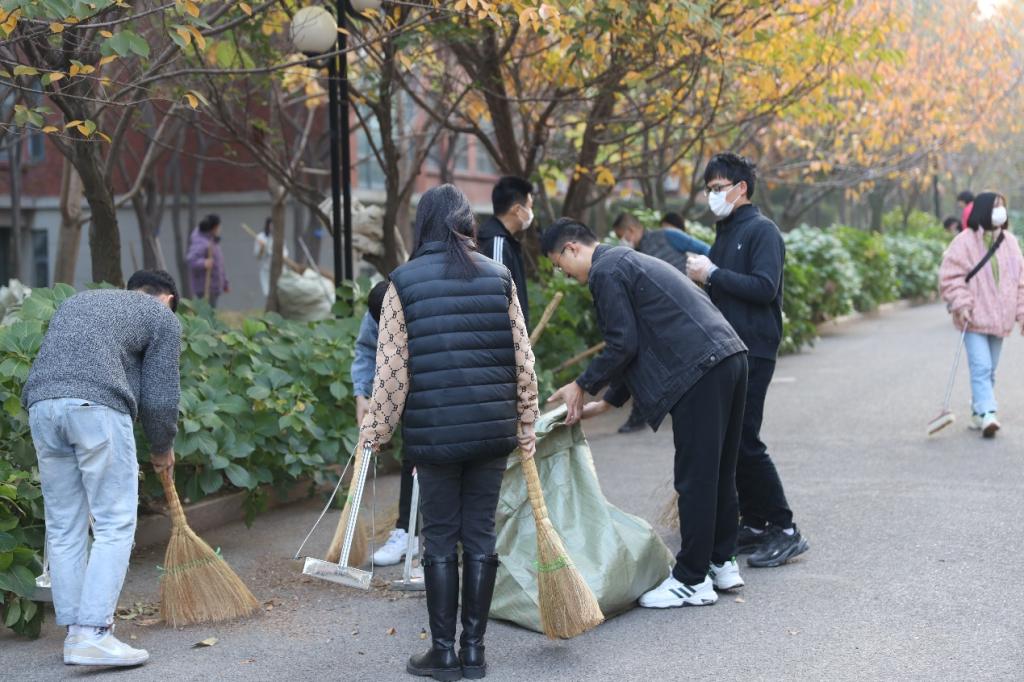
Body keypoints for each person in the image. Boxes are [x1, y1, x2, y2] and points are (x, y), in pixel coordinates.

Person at [358, 184, 539, 680]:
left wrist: (375, 431)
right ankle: (474, 653)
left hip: (434, 436)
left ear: (424, 225)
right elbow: (523, 360)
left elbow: (391, 372)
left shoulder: (402, 282)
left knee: (438, 539)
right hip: (492, 430)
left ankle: (443, 654)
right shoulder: (498, 276)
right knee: (480, 535)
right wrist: (526, 422)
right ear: (467, 224)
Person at [542, 218, 749, 610]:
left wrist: (581, 385)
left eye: (559, 265)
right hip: (729, 358)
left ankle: (691, 579)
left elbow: (622, 343)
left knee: (695, 478)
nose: (564, 274)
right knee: (719, 471)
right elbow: (635, 342)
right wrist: (609, 401)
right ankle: (722, 562)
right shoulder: (625, 261)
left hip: (701, 368)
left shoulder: (605, 271)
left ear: (571, 248)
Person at [22, 270, 181, 668]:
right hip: (95, 409)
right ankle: (93, 633)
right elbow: (160, 399)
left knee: (64, 525)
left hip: (42, 407)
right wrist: (162, 448)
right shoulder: (161, 316)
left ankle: (76, 632)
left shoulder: (79, 301)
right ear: (168, 299)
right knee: (114, 522)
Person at [685, 152, 810, 568]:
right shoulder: (725, 233)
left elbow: (764, 287)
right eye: (708, 189)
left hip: (754, 347)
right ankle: (755, 522)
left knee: (745, 441)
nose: (712, 196)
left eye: (718, 188)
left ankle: (785, 528)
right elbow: (725, 290)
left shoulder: (762, 231)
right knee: (733, 442)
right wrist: (703, 280)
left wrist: (712, 274)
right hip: (727, 348)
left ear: (741, 188)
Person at [611, 212, 711, 433]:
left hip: (687, 311)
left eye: (621, 236)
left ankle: (695, 410)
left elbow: (707, 250)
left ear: (630, 231)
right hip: (657, 318)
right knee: (645, 363)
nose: (622, 241)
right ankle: (641, 415)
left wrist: (701, 275)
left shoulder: (669, 235)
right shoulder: (631, 255)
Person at [939, 191, 1024, 438]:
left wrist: (1021, 313)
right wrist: (961, 303)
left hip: (1000, 320)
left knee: (990, 369)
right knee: (982, 367)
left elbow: (1020, 281)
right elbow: (950, 277)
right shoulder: (964, 242)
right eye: (996, 206)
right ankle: (988, 413)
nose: (1000, 211)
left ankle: (978, 412)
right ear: (984, 209)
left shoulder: (1010, 242)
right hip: (973, 318)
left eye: (1002, 206)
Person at [351, 280, 418, 566]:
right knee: (413, 454)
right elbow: (368, 350)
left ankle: (447, 540)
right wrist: (362, 395)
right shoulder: (380, 305)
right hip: (405, 389)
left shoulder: (422, 304)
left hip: (444, 383)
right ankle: (408, 532)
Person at [477, 176, 534, 327]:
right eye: (530, 207)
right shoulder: (497, 243)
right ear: (517, 209)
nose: (531, 213)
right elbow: (498, 300)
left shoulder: (504, 241)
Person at [187, 214, 228, 306]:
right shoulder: (201, 242)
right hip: (205, 287)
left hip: (214, 286)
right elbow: (191, 260)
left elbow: (219, 264)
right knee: (206, 312)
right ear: (214, 228)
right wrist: (203, 263)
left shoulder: (212, 241)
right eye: (219, 227)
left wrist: (224, 282)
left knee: (212, 311)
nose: (220, 230)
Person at [253, 217, 290, 297]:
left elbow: (285, 254)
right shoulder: (261, 237)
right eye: (272, 224)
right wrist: (262, 249)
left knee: (282, 292)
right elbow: (258, 256)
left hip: (280, 269)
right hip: (266, 270)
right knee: (268, 293)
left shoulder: (280, 237)